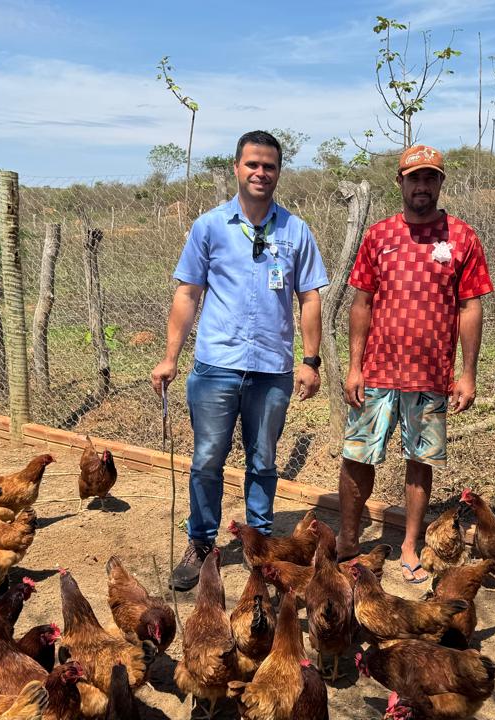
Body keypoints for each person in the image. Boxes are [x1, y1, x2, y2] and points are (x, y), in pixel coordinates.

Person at [151, 130, 329, 592]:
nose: (260, 173)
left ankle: (261, 545)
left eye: (269, 166)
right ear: (236, 167)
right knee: (207, 458)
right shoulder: (209, 227)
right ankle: (201, 542)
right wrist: (170, 357)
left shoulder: (295, 231)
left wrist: (310, 361)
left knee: (264, 460)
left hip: (272, 369)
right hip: (217, 366)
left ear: (279, 172)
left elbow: (310, 298)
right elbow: (188, 293)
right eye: (252, 164)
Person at [335, 144, 493, 584]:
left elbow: (470, 307)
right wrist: (354, 366)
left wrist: (467, 373)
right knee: (357, 456)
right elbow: (362, 303)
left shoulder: (461, 237)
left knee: (420, 460)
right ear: (400, 182)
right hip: (377, 371)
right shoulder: (379, 235)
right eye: (414, 178)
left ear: (440, 182)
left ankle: (409, 545)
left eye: (430, 177)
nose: (422, 186)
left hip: (431, 375)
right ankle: (348, 540)